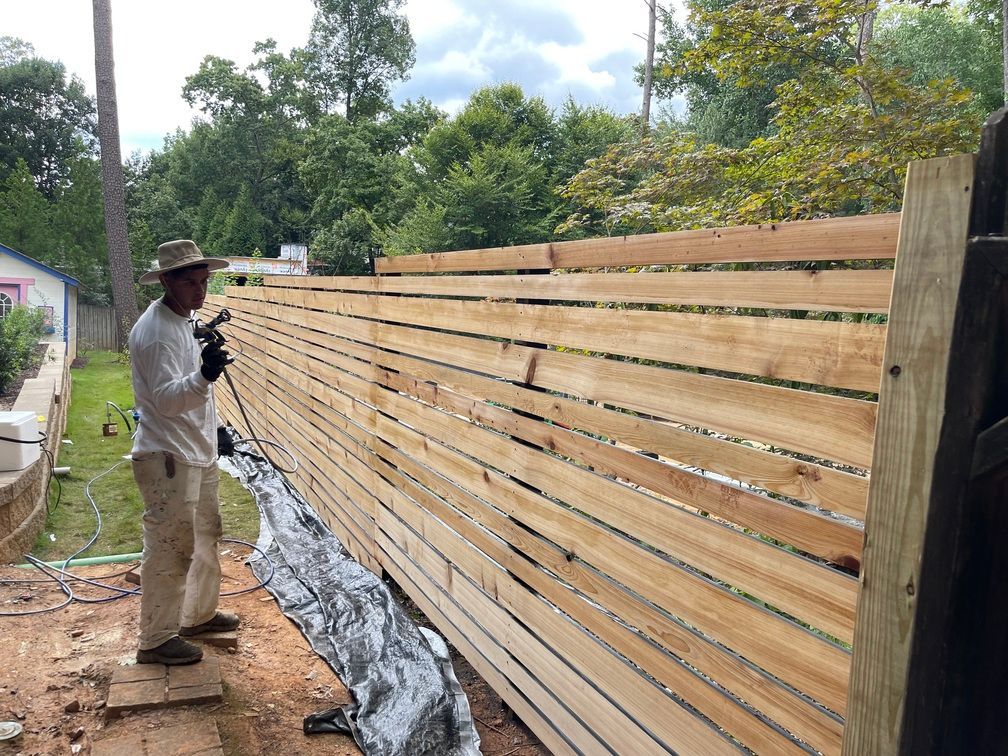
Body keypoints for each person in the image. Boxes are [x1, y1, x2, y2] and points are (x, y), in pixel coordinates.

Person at [130, 239, 238, 665]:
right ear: (166, 281)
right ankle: (155, 640)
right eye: (190, 282)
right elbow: (167, 400)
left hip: (196, 450)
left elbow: (196, 398)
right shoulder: (156, 333)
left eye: (204, 281)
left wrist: (217, 430)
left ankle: (197, 616)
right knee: (170, 548)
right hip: (167, 459)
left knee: (207, 537)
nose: (200, 290)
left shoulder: (184, 321)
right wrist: (206, 374)